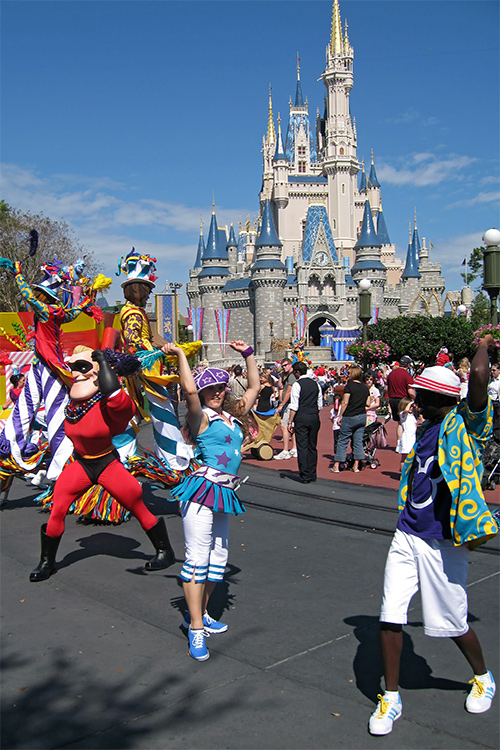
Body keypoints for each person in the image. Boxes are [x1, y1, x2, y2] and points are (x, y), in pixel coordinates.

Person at [368, 335, 498, 737]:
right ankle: (390, 696)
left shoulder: (466, 424)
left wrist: (485, 343)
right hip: (407, 534)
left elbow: (477, 375)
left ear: (440, 399)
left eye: (422, 396)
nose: (415, 403)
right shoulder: (424, 430)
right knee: (390, 616)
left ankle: (483, 676)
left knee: (453, 621)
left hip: (443, 540)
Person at [29, 347, 176, 582]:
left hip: (107, 464)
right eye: (73, 367)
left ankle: (165, 551)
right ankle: (47, 561)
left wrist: (103, 362)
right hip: (81, 465)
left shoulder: (113, 405)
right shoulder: (76, 404)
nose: (76, 373)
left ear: (99, 373)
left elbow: (115, 396)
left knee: (137, 505)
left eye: (82, 367)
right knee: (58, 507)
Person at [165, 340, 259, 661]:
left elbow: (255, 386)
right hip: (200, 492)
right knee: (197, 560)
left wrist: (247, 355)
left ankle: (201, 613)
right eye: (211, 389)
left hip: (223, 494)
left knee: (217, 561)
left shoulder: (234, 417)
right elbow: (189, 392)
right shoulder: (200, 417)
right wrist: (180, 354)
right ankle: (194, 628)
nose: (217, 392)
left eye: (220, 387)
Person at [330, 365, 370, 474]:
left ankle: (337, 465)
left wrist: (340, 416)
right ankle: (356, 465)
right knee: (358, 441)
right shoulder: (365, 387)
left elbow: (345, 402)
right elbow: (368, 403)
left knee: (343, 440)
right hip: (361, 415)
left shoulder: (349, 386)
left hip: (350, 415)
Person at [288, 361, 323, 483]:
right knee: (312, 446)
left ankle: (305, 474)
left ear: (297, 372)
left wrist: (290, 421)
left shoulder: (297, 385)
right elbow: (320, 404)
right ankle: (313, 473)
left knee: (302, 446)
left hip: (302, 416)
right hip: (314, 416)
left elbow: (294, 405)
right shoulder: (316, 384)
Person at [386, 356, 415, 444]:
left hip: (393, 399)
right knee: (405, 423)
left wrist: (388, 398)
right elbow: (410, 391)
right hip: (403, 400)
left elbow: (387, 389)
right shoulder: (407, 375)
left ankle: (399, 443)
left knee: (399, 423)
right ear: (408, 365)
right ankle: (405, 443)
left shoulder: (391, 374)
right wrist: (414, 399)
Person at [274, 358, 297, 460]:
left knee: (284, 426)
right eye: (282, 366)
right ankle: (294, 449)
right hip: (288, 403)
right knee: (291, 427)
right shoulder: (286, 376)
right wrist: (281, 376)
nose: (284, 367)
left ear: (290, 365)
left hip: (289, 404)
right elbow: (280, 387)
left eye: (285, 365)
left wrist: (281, 405)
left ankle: (285, 450)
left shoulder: (292, 377)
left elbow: (288, 392)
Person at [395, 397, 417, 473]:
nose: (411, 408)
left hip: (412, 437)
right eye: (410, 406)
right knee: (405, 457)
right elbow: (406, 410)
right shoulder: (403, 414)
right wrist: (411, 402)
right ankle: (403, 472)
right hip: (407, 438)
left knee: (412, 456)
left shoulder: (411, 415)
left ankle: (410, 471)